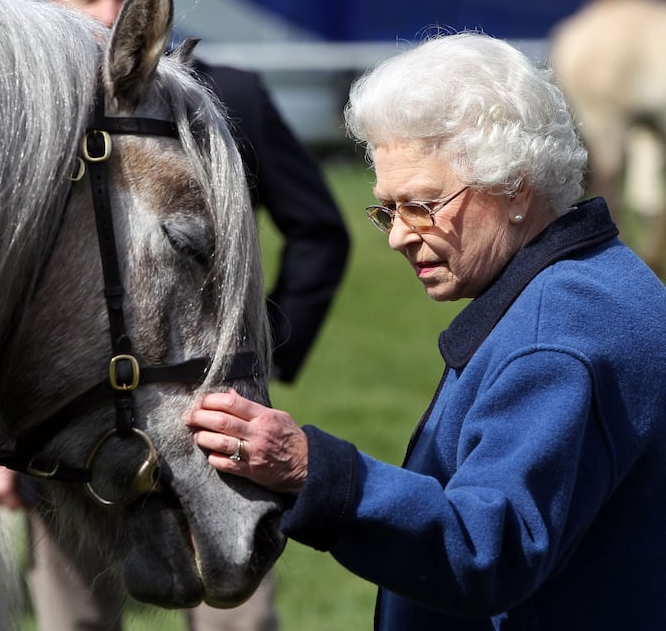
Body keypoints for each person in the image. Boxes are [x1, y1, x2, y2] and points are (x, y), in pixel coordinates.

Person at [183, 31, 666, 630]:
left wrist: (311, 469)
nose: (398, 236)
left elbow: (487, 550)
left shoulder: (555, 337)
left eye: (423, 205)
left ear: (514, 187)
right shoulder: (606, 277)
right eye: (388, 209)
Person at [0, 0, 350, 631]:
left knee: (238, 610)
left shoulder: (230, 96)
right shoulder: (28, 132)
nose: (108, 10)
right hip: (68, 435)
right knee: (76, 619)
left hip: (206, 401)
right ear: (53, 4)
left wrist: (253, 344)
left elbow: (322, 232)